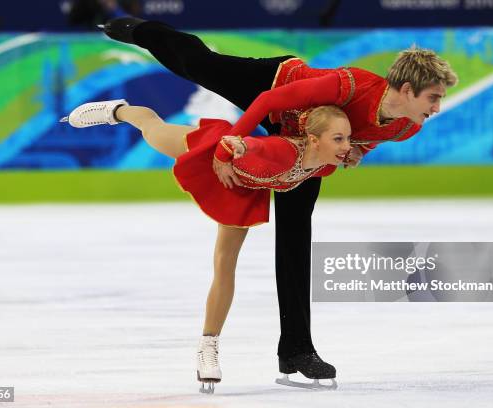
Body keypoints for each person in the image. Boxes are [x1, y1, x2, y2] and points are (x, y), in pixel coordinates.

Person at [99, 17, 459, 389]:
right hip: (275, 88)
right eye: (433, 97)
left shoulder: (404, 127)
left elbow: (364, 140)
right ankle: (141, 31)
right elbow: (268, 101)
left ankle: (297, 349)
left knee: (296, 238)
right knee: (198, 64)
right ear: (406, 88)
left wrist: (355, 152)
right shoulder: (349, 84)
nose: (436, 108)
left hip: (306, 148)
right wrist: (228, 145)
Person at [62, 100, 352, 392]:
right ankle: (118, 111)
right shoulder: (284, 151)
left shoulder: (323, 167)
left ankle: (207, 346)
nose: (347, 145)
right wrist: (233, 151)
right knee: (153, 129)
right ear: (314, 140)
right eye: (339, 139)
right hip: (216, 156)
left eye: (348, 138)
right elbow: (236, 144)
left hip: (241, 188)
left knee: (225, 264)